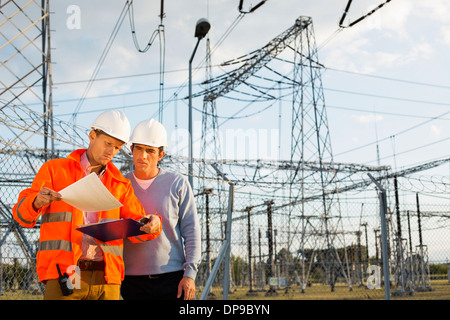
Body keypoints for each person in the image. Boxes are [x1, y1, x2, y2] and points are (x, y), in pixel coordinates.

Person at [12, 110, 162, 300]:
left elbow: (139, 227)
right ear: (92, 136)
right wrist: (35, 202)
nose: (111, 152)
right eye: (108, 143)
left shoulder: (120, 184)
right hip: (66, 274)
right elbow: (21, 216)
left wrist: (153, 225)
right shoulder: (55, 170)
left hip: (107, 279)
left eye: (117, 147)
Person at [121, 118, 201, 300]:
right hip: (131, 281)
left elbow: (192, 231)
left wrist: (190, 274)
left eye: (150, 151)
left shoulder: (177, 183)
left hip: (172, 278)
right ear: (131, 150)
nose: (143, 156)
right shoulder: (120, 185)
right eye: (139, 149)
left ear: (161, 155)